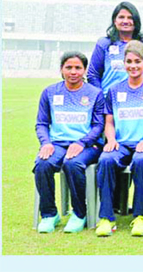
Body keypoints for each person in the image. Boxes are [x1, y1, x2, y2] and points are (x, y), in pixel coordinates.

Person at [95, 40, 143, 237]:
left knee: (141, 160)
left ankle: (141, 216)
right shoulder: (114, 90)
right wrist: (110, 140)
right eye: (129, 61)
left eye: (138, 61)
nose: (133, 66)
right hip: (122, 144)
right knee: (106, 159)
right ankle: (106, 218)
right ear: (124, 63)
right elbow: (109, 122)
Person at [34, 52, 105, 233]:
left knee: (72, 163)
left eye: (78, 68)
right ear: (61, 69)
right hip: (57, 144)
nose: (73, 72)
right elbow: (41, 123)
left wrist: (82, 142)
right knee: (42, 164)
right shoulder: (50, 92)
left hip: (87, 146)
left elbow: (98, 125)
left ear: (84, 70)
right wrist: (46, 143)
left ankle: (79, 213)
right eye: (69, 67)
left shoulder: (95, 93)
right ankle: (50, 214)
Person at [88, 1, 143, 96]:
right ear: (115, 21)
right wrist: (101, 99)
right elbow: (93, 74)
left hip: (136, 100)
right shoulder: (104, 44)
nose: (125, 21)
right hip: (109, 100)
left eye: (130, 18)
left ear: (136, 21)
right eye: (121, 17)